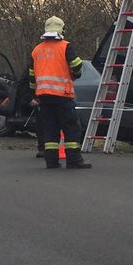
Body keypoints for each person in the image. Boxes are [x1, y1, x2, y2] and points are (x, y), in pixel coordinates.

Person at [28, 16, 91, 170]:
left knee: (50, 129)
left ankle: (51, 162)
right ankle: (74, 161)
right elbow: (77, 66)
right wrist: (75, 75)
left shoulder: (36, 50)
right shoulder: (65, 46)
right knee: (71, 128)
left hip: (44, 96)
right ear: (62, 29)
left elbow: (31, 75)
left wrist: (34, 95)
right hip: (62, 96)